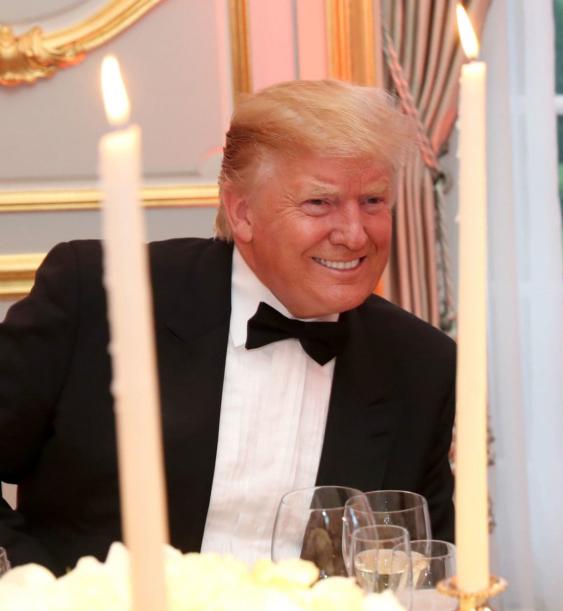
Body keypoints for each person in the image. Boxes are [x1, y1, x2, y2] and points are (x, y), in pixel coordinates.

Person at [0, 80, 456, 573]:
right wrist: (34, 587)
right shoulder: (97, 296)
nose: (354, 233)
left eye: (372, 201)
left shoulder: (418, 362)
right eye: (319, 203)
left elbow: (421, 563)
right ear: (242, 212)